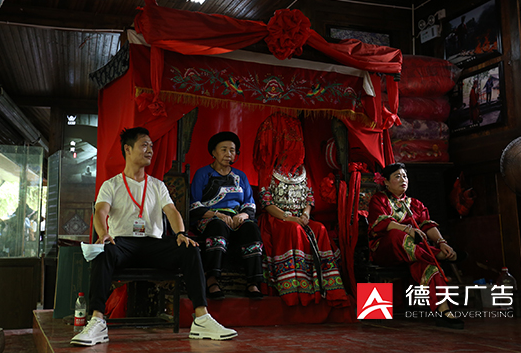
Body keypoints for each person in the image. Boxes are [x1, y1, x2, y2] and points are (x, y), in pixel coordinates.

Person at [71, 127, 237, 347]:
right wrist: (103, 234)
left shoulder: (158, 185)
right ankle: (97, 321)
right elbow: (100, 211)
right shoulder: (111, 185)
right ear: (128, 149)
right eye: (144, 145)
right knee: (103, 251)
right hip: (122, 244)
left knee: (190, 248)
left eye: (151, 145)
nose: (150, 150)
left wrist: (180, 234)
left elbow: (172, 211)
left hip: (154, 244)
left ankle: (202, 318)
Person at [253, 113, 348, 307]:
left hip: (300, 217)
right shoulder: (269, 171)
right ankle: (297, 288)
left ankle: (325, 287)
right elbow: (266, 203)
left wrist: (305, 213)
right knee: (294, 229)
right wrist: (289, 218)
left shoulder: (302, 170)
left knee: (320, 228)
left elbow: (309, 197)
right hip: (276, 220)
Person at [368, 162, 465, 329]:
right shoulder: (379, 200)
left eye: (405, 176)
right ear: (386, 182)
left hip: (412, 253)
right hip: (385, 250)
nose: (403, 180)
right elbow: (381, 224)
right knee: (397, 235)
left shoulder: (415, 204)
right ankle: (435, 254)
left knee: (430, 267)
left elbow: (428, 225)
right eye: (397, 176)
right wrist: (408, 229)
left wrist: (442, 242)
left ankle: (443, 312)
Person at [190, 131, 263, 299]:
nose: (228, 154)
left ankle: (253, 282)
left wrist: (242, 216)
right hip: (210, 217)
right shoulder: (203, 174)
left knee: (251, 229)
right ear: (213, 152)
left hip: (236, 218)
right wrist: (218, 215)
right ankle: (212, 280)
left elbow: (250, 204)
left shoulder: (240, 176)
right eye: (223, 149)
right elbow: (194, 205)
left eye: (232, 150)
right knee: (218, 226)